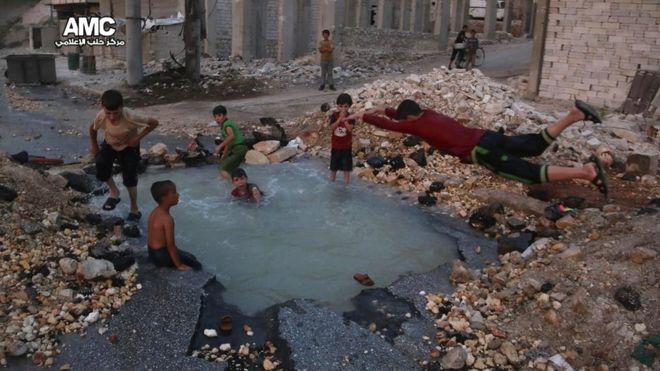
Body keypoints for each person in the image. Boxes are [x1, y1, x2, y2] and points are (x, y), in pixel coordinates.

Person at [344, 99, 610, 196]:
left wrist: (363, 116)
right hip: (487, 136)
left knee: (528, 173)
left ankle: (586, 172)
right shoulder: (428, 113)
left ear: (410, 119)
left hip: (482, 151)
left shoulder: (416, 126)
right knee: (532, 144)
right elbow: (403, 116)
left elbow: (396, 126)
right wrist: (385, 109)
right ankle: (574, 115)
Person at [89, 89, 158, 221]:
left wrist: (137, 138)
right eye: (108, 113)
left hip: (129, 147)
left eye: (116, 113)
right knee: (101, 164)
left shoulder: (130, 116)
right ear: (102, 107)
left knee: (129, 178)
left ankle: (134, 207)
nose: (112, 117)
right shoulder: (101, 116)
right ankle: (114, 192)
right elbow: (92, 129)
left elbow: (154, 123)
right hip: (109, 144)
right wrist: (94, 146)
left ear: (122, 107)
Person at [147, 180, 202, 271]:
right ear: (164, 198)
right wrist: (179, 265)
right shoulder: (167, 219)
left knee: (190, 256)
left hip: (152, 253)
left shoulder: (154, 212)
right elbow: (171, 245)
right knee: (196, 265)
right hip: (162, 257)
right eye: (174, 192)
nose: (178, 194)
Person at [212, 105, 248, 180]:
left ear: (225, 115)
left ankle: (234, 185)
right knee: (229, 170)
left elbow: (231, 136)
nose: (217, 118)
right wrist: (224, 155)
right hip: (239, 149)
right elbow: (228, 142)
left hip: (239, 149)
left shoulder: (227, 124)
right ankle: (242, 182)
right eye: (215, 116)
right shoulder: (225, 125)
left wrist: (220, 146)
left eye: (219, 115)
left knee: (221, 169)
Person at [329, 93, 355, 185]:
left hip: (346, 147)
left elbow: (350, 129)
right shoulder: (334, 116)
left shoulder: (351, 117)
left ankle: (346, 185)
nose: (343, 109)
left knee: (346, 169)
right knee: (333, 168)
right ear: (337, 106)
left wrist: (345, 120)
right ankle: (332, 183)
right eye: (341, 106)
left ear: (349, 106)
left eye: (346, 106)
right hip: (336, 146)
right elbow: (332, 127)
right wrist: (339, 119)